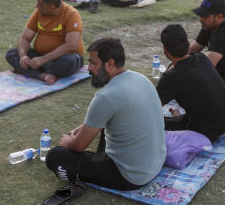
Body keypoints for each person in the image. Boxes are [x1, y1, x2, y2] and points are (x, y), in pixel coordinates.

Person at [45, 38, 165, 191]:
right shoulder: (140, 78)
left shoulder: (106, 96)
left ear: (110, 63)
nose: (89, 68)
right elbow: (117, 111)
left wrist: (67, 141)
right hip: (155, 164)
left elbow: (78, 146)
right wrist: (84, 127)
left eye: (93, 63)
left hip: (130, 176)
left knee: (56, 156)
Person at [156, 24, 225, 141]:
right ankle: (182, 121)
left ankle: (183, 123)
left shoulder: (171, 77)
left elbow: (152, 107)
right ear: (187, 43)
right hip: (224, 124)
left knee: (152, 123)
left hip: (205, 131)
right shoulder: (202, 58)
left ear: (165, 50)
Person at [7, 0, 84, 84]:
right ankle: (43, 75)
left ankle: (31, 70)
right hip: (40, 56)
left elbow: (71, 46)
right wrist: (23, 56)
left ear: (51, 7)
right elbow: (25, 37)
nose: (36, 6)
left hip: (61, 58)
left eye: (40, 4)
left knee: (69, 62)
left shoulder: (71, 14)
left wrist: (43, 60)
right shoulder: (39, 12)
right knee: (12, 54)